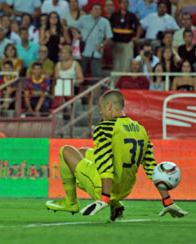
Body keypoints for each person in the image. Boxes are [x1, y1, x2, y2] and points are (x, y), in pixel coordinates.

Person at [45, 90, 188, 220]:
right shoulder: (140, 129)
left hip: (103, 188)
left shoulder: (104, 128)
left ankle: (70, 202)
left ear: (109, 106)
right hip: (125, 189)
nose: (101, 112)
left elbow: (105, 163)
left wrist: (104, 199)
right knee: (82, 152)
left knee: (65, 150)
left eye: (101, 107)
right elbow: (152, 169)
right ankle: (116, 203)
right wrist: (167, 201)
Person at [110, 0, 142, 72]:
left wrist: (137, 37)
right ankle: (116, 82)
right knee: (116, 64)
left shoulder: (132, 15)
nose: (125, 4)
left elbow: (139, 26)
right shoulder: (114, 15)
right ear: (119, 4)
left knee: (127, 64)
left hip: (127, 43)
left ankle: (125, 81)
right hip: (116, 43)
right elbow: (109, 25)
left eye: (126, 3)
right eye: (123, 3)